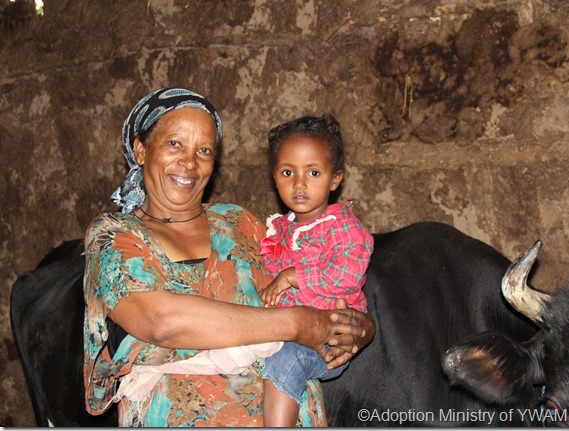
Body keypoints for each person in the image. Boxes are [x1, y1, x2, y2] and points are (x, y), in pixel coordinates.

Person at [82, 88, 375, 427]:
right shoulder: (115, 235)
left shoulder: (240, 223)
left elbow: (323, 281)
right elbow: (159, 322)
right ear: (141, 150)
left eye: (204, 150)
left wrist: (360, 328)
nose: (190, 162)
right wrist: (297, 324)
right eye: (175, 144)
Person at [258, 114, 374, 426]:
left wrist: (291, 276)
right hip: (281, 331)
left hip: (327, 341)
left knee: (286, 361)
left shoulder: (344, 229)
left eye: (313, 172)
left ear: (335, 179)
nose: (299, 184)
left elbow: (345, 276)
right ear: (274, 177)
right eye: (287, 172)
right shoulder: (278, 229)